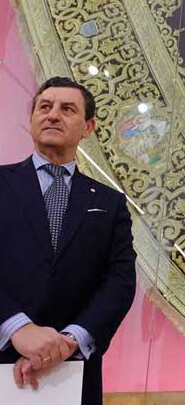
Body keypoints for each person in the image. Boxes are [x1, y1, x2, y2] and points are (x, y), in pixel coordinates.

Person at [0, 77, 137, 405]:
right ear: (32, 119)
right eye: (44, 107)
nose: (52, 115)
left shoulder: (110, 202)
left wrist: (70, 340)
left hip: (73, 369)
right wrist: (17, 328)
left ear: (88, 126)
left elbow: (120, 281)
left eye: (67, 109)